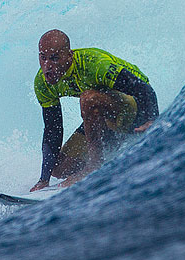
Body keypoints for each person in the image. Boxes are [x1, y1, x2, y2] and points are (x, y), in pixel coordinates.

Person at [30, 29, 159, 191]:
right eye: (43, 57)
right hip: (107, 118)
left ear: (69, 56)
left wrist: (152, 120)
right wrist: (44, 179)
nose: (47, 66)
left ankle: (94, 166)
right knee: (58, 168)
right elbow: (52, 130)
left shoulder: (94, 64)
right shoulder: (43, 82)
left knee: (88, 99)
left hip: (135, 107)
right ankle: (107, 153)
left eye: (55, 58)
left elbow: (143, 88)